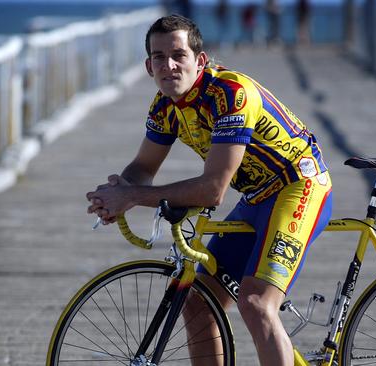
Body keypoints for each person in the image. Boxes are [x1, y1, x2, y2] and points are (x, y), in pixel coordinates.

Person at [86, 15, 332, 366]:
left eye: (178, 55)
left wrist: (133, 197)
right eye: (159, 57)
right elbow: (143, 169)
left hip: (299, 185)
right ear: (148, 66)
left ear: (199, 60)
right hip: (258, 196)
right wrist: (117, 193)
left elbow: (213, 190)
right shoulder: (164, 106)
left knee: (256, 303)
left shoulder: (230, 95)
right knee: (198, 303)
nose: (168, 65)